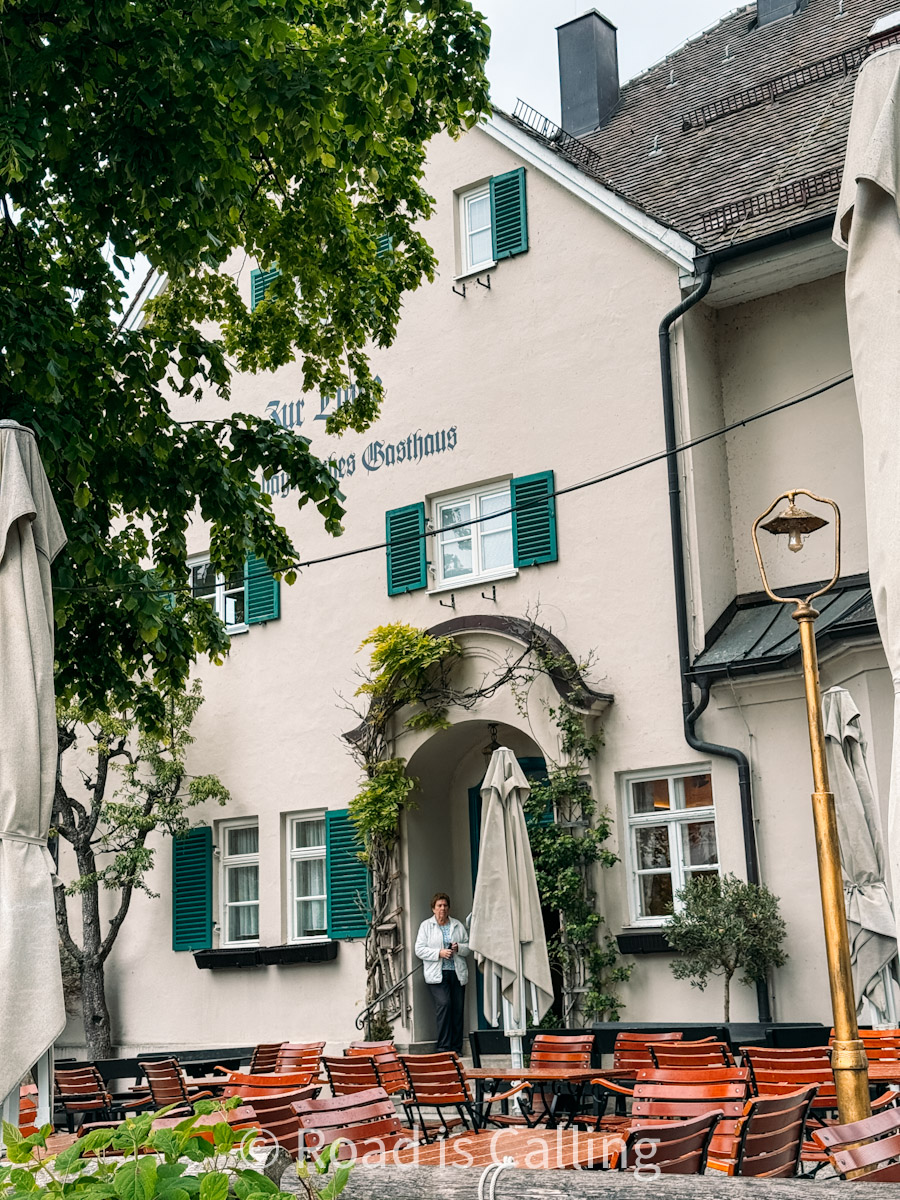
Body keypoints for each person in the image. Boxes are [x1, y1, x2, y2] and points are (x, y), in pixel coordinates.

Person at [415, 891, 469, 1054]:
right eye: (439, 906)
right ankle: (444, 1047)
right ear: (433, 908)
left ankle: (456, 1047)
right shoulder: (426, 926)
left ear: (449, 908)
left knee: (457, 1009)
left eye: (445, 905)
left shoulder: (457, 925)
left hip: (456, 973)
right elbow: (419, 949)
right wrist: (439, 953)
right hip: (437, 974)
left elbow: (468, 947)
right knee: (445, 1005)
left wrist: (459, 948)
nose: (442, 909)